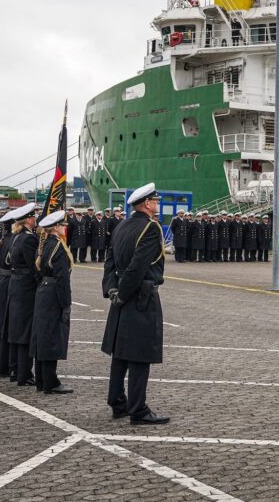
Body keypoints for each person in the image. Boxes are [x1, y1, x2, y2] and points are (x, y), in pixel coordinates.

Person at [102, 182, 169, 425]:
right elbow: (138, 267)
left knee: (120, 354)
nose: (158, 204)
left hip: (120, 296)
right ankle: (138, 409)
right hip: (140, 297)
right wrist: (124, 293)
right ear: (147, 204)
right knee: (140, 355)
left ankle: (117, 403)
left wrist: (111, 289)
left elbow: (110, 261)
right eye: (156, 201)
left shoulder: (122, 225)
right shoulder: (150, 229)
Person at [30, 210, 74, 394]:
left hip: (43, 292)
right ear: (55, 227)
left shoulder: (45, 244)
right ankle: (50, 382)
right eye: (63, 225)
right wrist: (66, 304)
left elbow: (37, 272)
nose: (66, 227)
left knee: (42, 336)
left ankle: (41, 379)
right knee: (52, 337)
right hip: (54, 293)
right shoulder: (58, 247)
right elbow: (63, 279)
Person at [7, 204, 39, 384]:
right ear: (27, 219)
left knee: (16, 329)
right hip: (26, 287)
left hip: (16, 285)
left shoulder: (17, 237)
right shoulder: (28, 239)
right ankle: (24, 374)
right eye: (33, 216)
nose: (36, 219)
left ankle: (14, 369)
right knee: (25, 330)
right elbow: (32, 266)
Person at [0, 209, 16, 378]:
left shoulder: (3, 240)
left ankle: (1, 365)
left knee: (1, 328)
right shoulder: (14, 241)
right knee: (9, 326)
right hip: (9, 283)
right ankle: (8, 365)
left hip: (1, 281)